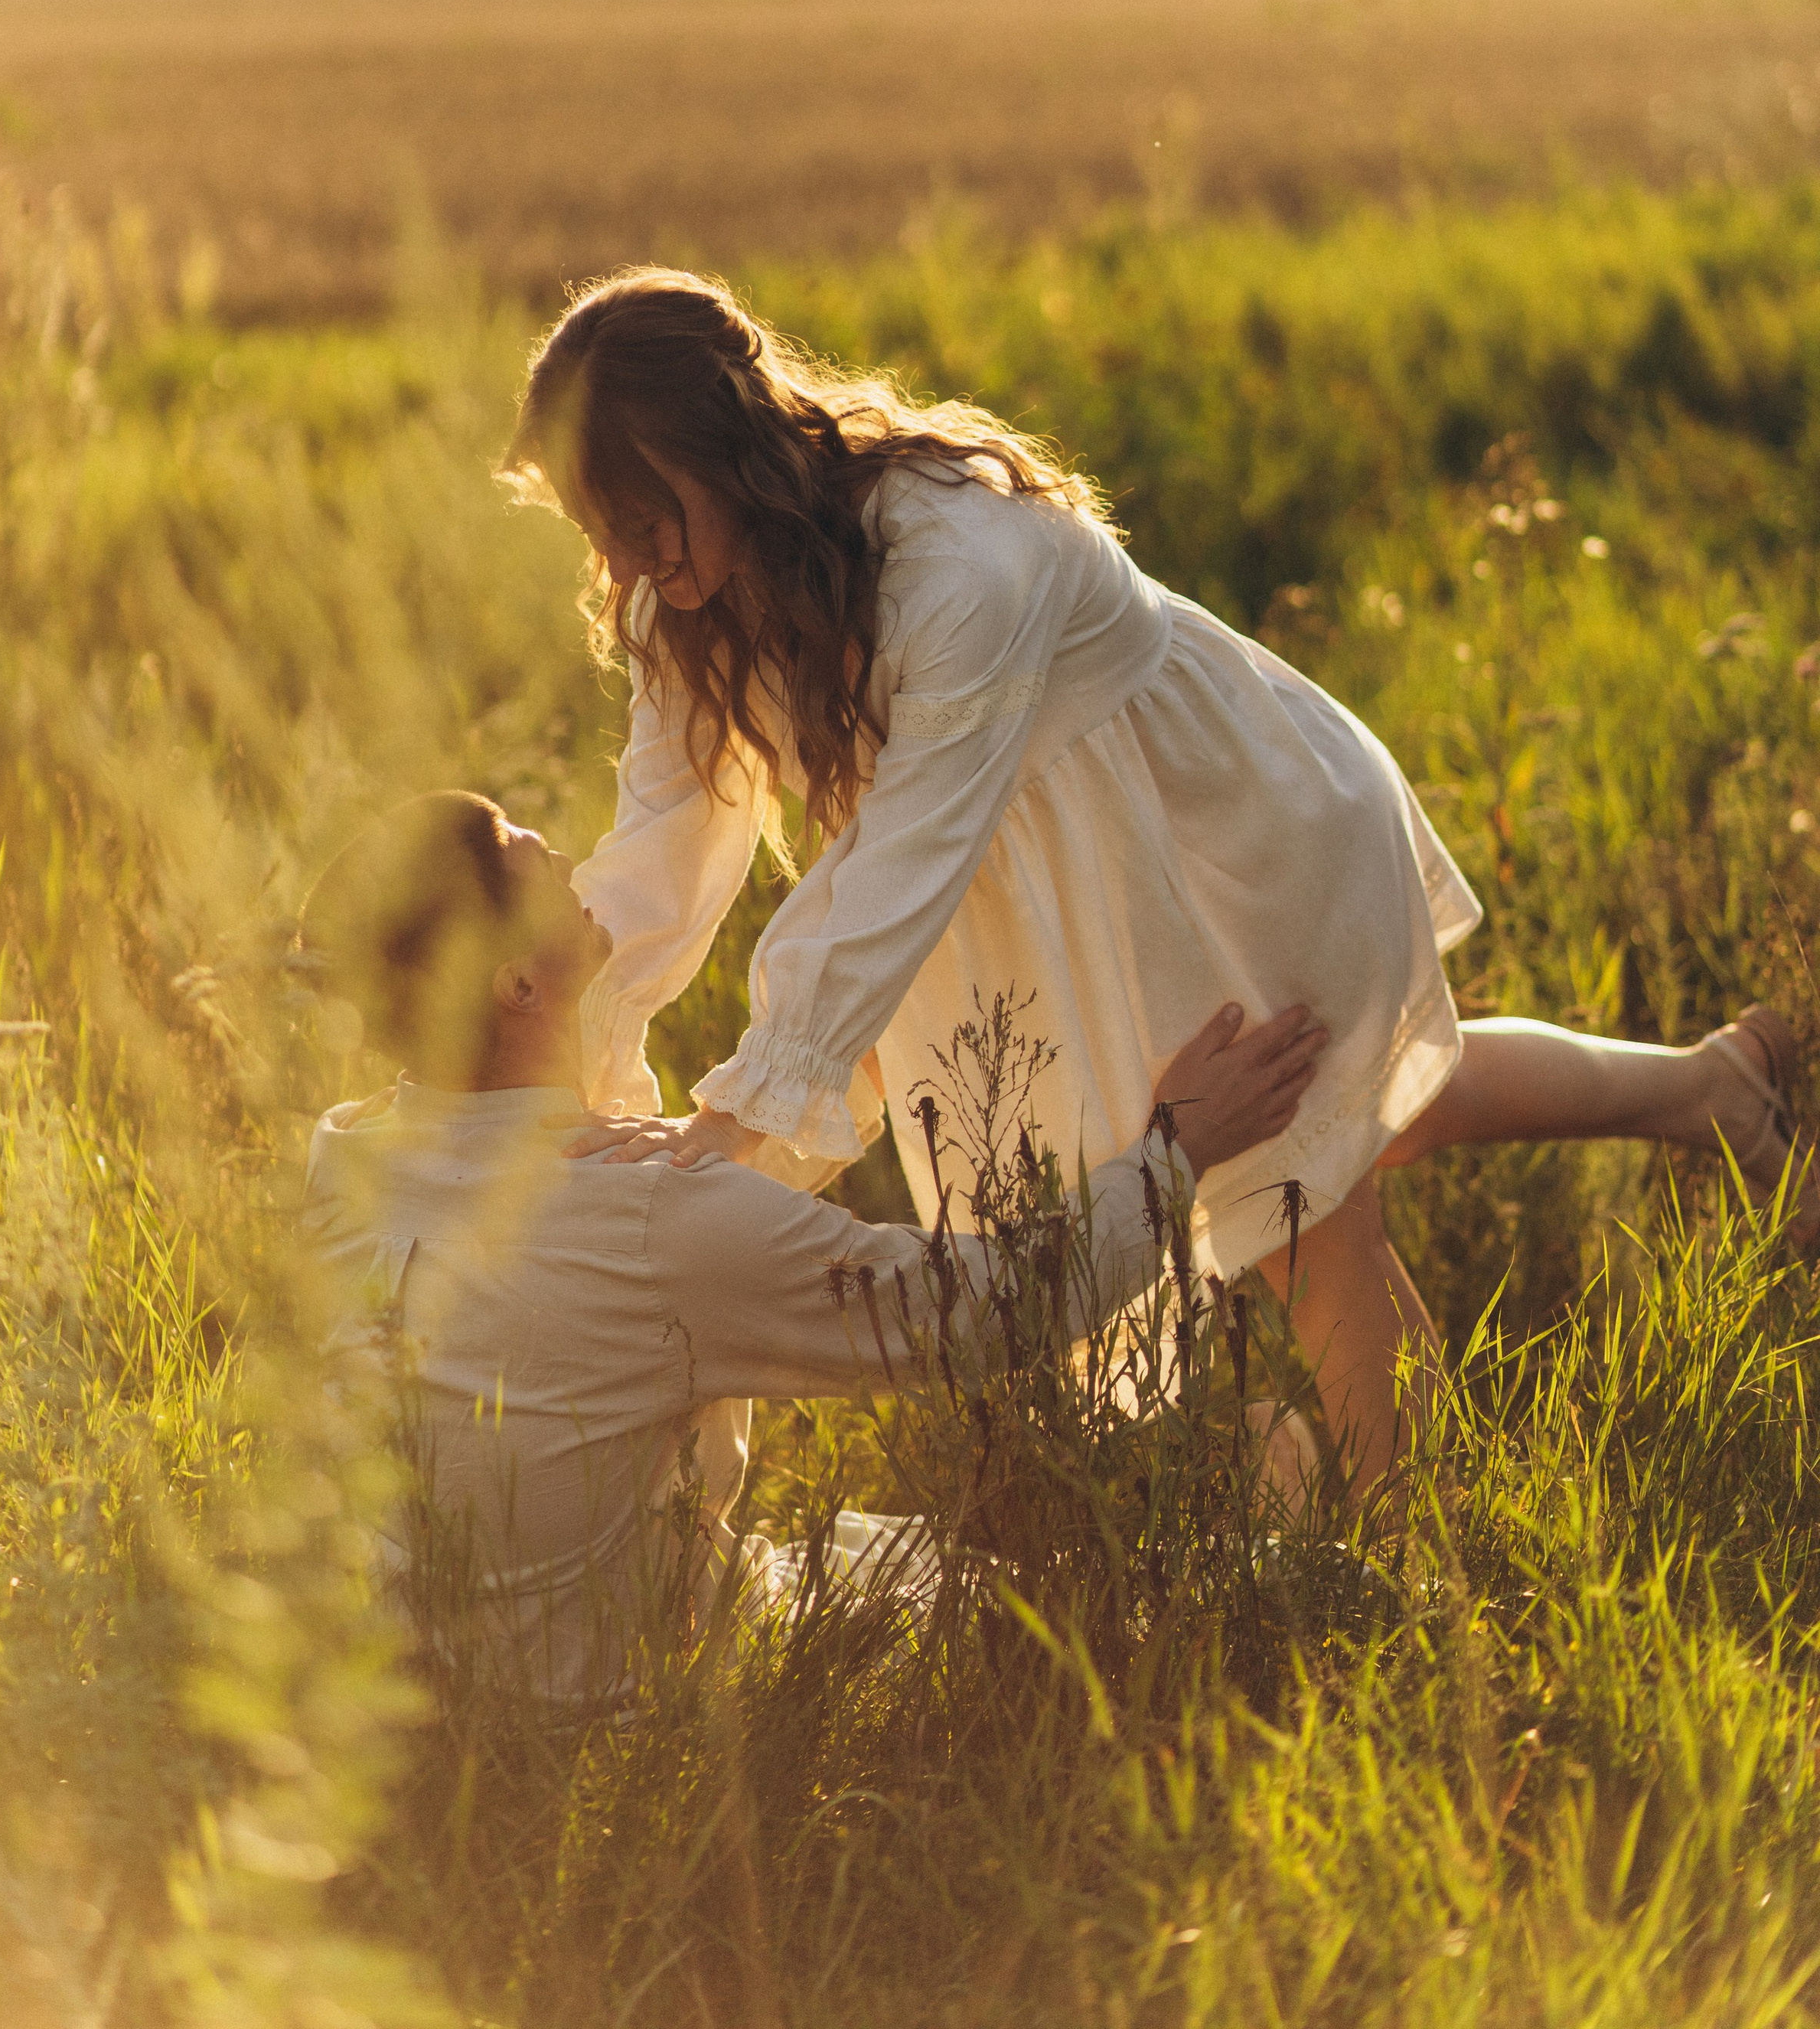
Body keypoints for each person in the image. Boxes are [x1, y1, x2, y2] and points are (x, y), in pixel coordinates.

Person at [503, 269, 1814, 1492]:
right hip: (1045, 903)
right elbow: (659, 858)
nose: (622, 564)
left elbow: (898, 865)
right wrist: (562, 1079)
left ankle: (1435, 1582)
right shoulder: (683, 608)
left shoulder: (962, 561)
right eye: (595, 535)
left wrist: (728, 1130)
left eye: (636, 518)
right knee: (1370, 1108)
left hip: (1215, 844)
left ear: (721, 442)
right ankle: (1713, 1086)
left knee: (1303, 1200)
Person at [297, 791, 1329, 1702]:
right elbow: (978, 1313)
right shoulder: (646, 1219)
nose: (561, 857)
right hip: (635, 1685)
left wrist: (830, 1086)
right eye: (527, 854)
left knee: (916, 1555)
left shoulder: (345, 1160)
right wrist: (1174, 1153)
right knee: (1070, 1599)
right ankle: (1323, 1570)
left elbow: (640, 1252)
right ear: (517, 986)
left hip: (422, 1683)